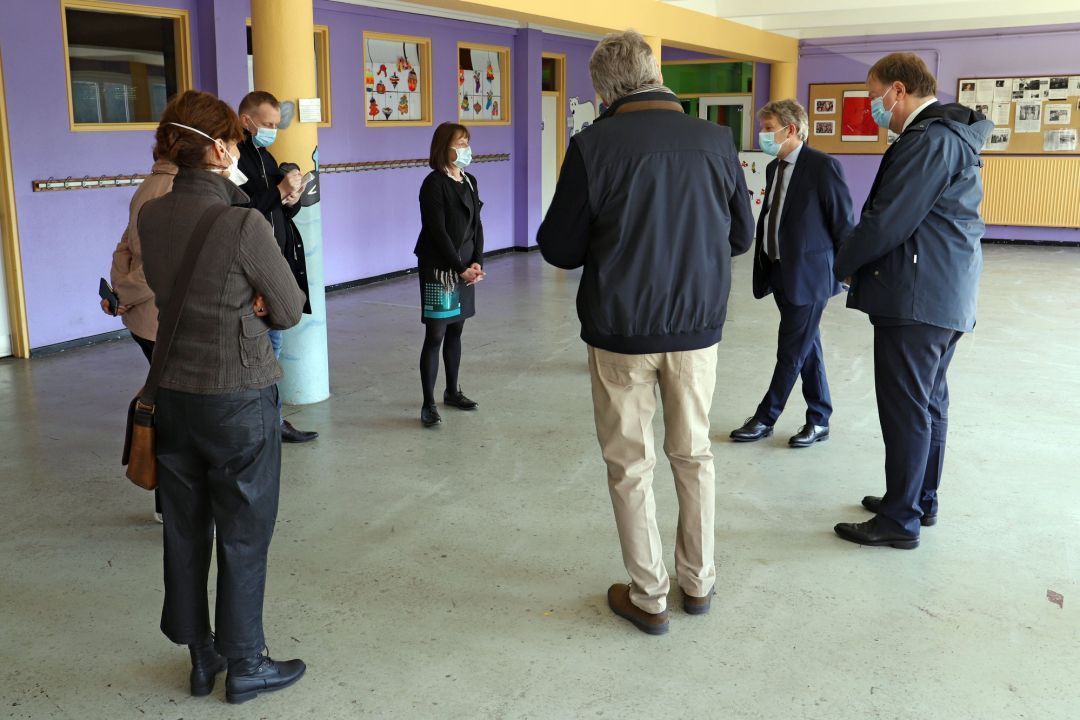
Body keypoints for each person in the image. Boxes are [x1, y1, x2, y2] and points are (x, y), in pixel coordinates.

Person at [537, 30, 753, 635]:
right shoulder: (715, 140)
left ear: (605, 89)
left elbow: (559, 247)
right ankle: (699, 582)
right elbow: (741, 237)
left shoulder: (592, 146)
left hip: (620, 332)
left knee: (630, 465)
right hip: (695, 329)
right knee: (695, 455)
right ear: (656, 74)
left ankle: (650, 594)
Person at [138, 89, 308, 703]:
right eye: (236, 141)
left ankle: (201, 655)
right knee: (244, 529)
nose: (241, 149)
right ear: (216, 148)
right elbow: (287, 309)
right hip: (238, 397)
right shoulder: (242, 221)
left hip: (175, 395)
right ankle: (248, 663)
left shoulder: (151, 217)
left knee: (184, 529)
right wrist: (254, 301)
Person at [832, 53, 991, 549]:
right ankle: (918, 498)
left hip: (918, 298)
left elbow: (887, 221)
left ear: (897, 91)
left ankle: (900, 519)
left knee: (906, 407)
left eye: (873, 93)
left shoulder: (930, 141)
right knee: (927, 402)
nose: (872, 105)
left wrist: (839, 264)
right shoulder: (944, 137)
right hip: (942, 292)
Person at [730, 99, 853, 447]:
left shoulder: (823, 166)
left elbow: (843, 223)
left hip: (811, 275)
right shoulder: (775, 167)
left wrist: (846, 272)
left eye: (769, 129)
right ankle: (820, 418)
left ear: (791, 130)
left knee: (790, 350)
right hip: (780, 270)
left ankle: (765, 417)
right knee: (806, 346)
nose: (763, 135)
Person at [236, 90, 318, 444]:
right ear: (247, 121)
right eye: (267, 124)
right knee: (266, 354)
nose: (272, 130)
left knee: (275, 349)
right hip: (255, 272)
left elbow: (277, 209)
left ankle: (273, 420)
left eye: (275, 124)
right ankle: (269, 423)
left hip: (278, 265)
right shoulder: (236, 161)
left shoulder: (267, 157)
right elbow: (245, 209)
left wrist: (292, 198)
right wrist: (278, 190)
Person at [101, 154, 178, 523]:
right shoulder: (174, 189)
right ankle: (171, 500)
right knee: (175, 412)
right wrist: (126, 295)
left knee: (166, 405)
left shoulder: (148, 185)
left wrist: (120, 293)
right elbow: (158, 265)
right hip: (161, 320)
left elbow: (124, 248)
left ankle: (169, 499)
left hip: (144, 319)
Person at [414, 122, 486, 428]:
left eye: (468, 142)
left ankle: (452, 390)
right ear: (444, 147)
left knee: (457, 330)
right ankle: (428, 403)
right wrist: (459, 267)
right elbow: (438, 231)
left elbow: (476, 225)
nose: (466, 149)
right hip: (440, 269)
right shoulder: (433, 184)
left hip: (466, 268)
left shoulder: (469, 180)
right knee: (436, 334)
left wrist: (477, 263)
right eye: (460, 143)